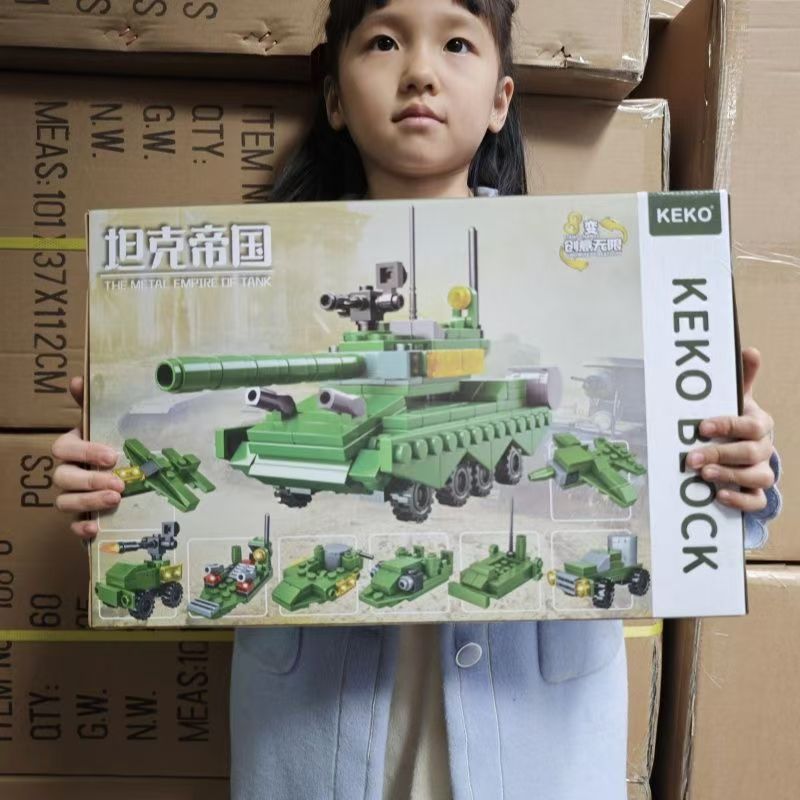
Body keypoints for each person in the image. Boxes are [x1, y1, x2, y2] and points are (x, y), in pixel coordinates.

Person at [52, 1, 781, 798]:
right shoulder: (290, 269)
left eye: (457, 41)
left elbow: (687, 518)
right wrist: (109, 481)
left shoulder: (557, 260)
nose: (421, 72)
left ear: (501, 99)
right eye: (383, 41)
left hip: (533, 735)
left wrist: (731, 463)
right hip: (313, 731)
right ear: (335, 97)